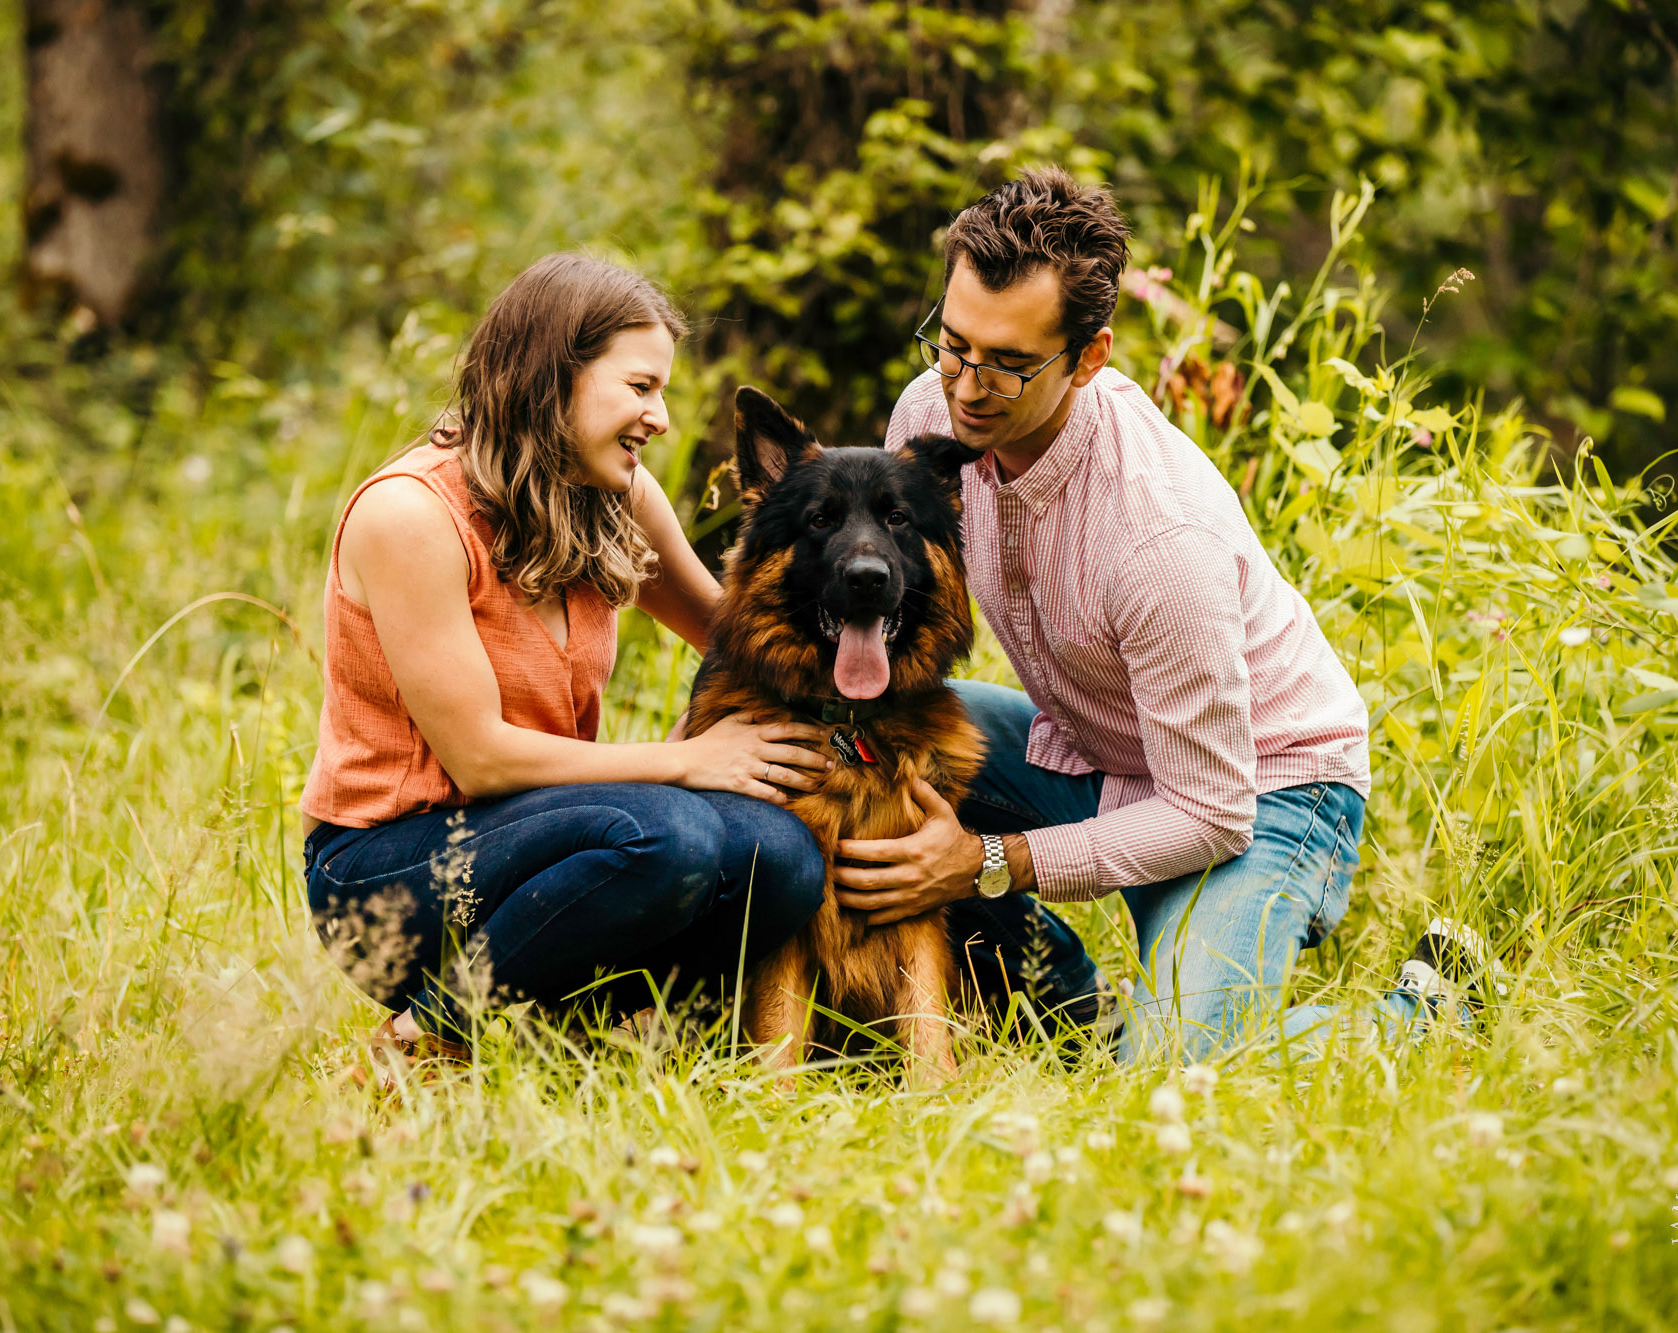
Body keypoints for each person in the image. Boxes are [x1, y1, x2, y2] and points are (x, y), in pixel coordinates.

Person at [836, 168, 1490, 1061]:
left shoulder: (1157, 533)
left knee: (1177, 1070)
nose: (968, 387)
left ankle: (1426, 1014)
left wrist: (990, 861)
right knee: (879, 734)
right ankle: (1075, 1004)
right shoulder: (930, 417)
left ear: (1090, 357)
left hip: (1263, 791)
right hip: (1100, 745)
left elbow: (1210, 810)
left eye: (1009, 365)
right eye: (952, 345)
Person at [300, 253, 834, 1075]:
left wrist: (865, 616)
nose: (660, 417)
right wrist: (689, 760)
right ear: (555, 378)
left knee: (784, 857)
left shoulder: (616, 495)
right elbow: (479, 760)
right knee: (670, 834)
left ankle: (592, 1027)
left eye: (662, 392)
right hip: (388, 872)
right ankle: (424, 1038)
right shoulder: (410, 515)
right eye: (640, 387)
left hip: (550, 837)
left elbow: (739, 638)